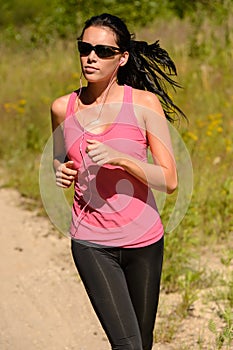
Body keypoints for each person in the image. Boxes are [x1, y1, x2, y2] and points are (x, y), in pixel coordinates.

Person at [51, 13, 186, 350]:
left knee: (143, 343)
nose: (91, 57)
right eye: (85, 48)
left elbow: (169, 180)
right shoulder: (61, 107)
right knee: (127, 346)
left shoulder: (143, 104)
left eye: (103, 50)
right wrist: (61, 169)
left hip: (144, 241)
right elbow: (60, 156)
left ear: (122, 58)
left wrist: (121, 158)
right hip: (92, 242)